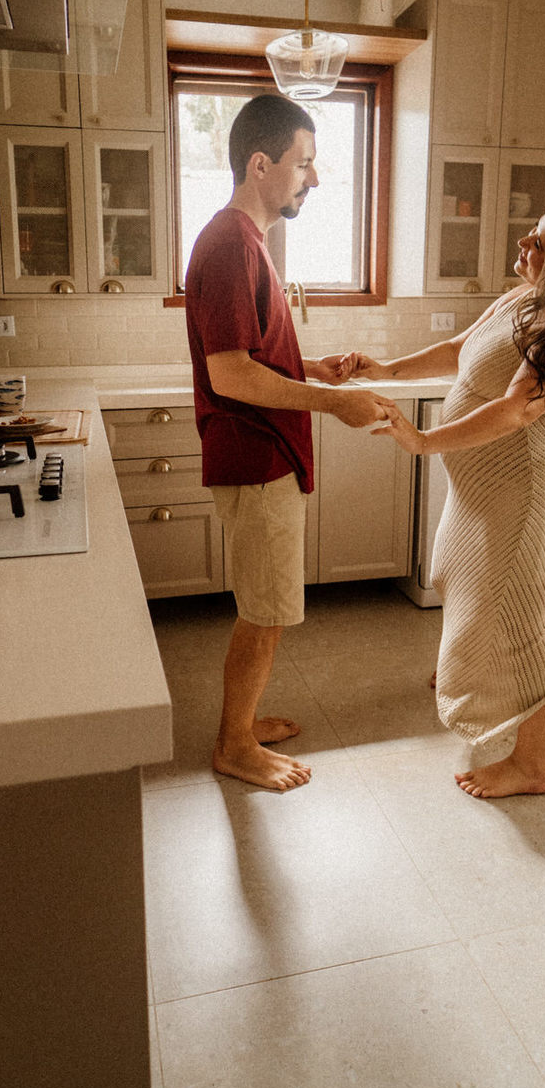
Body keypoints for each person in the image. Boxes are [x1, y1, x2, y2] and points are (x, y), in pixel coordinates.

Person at [347, 193, 545, 800]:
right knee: (456, 576)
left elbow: (515, 410)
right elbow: (458, 350)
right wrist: (383, 370)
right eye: (532, 232)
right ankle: (468, 674)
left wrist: (422, 440)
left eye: (540, 241)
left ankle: (531, 763)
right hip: (489, 486)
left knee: (521, 617)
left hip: (531, 487)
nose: (523, 243)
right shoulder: (520, 300)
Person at [185, 94, 385, 794]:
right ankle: (234, 745)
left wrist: (311, 370)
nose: (315, 178)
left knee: (266, 607)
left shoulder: (248, 241)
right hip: (257, 455)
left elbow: (255, 355)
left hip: (265, 454)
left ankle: (242, 722)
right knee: (264, 614)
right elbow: (231, 374)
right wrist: (335, 403)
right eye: (304, 163)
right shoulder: (231, 244)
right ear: (260, 164)